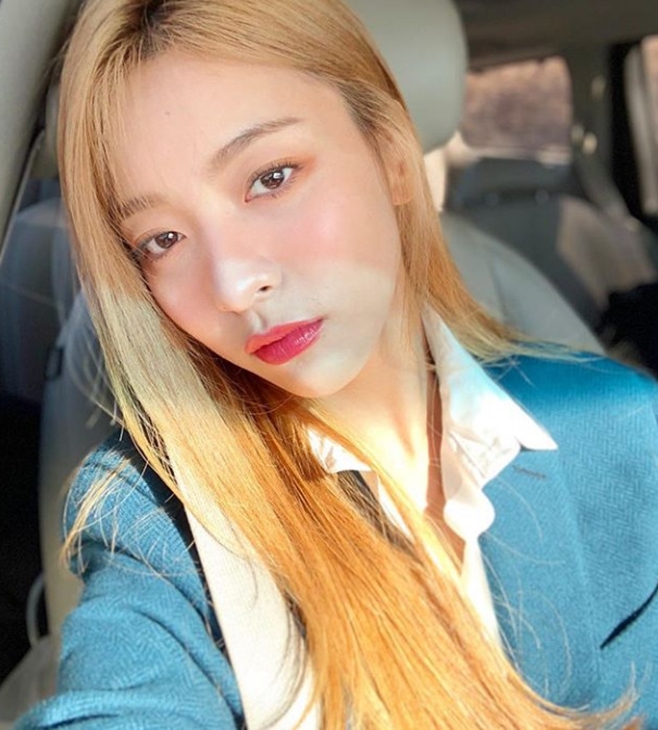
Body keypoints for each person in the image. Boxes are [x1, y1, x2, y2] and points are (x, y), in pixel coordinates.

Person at [15, 0, 658, 727]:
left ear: (392, 155)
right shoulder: (158, 519)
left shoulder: (619, 426)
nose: (234, 285)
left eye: (271, 177)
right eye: (162, 240)